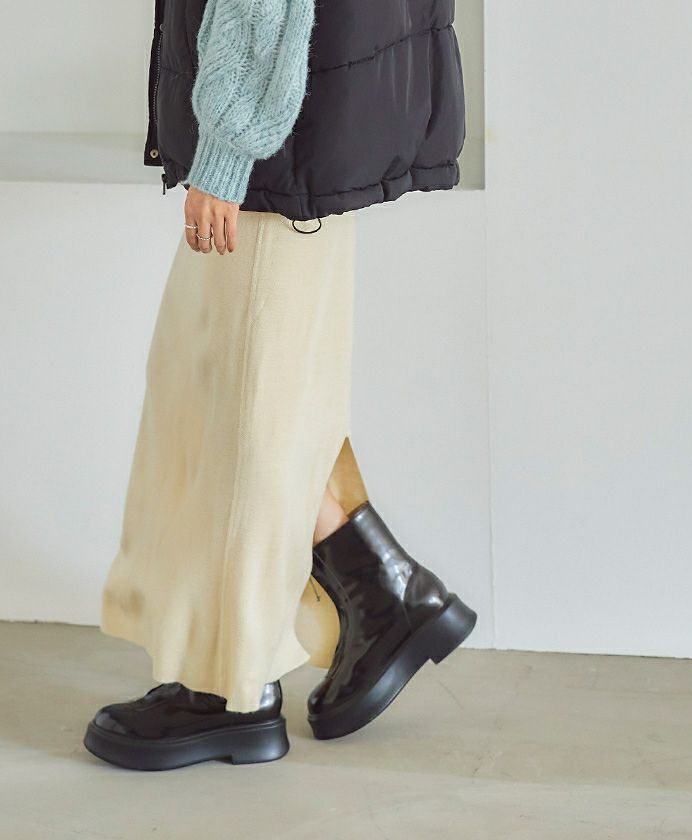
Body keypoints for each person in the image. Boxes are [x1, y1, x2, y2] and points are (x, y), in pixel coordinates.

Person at [83, 0, 477, 771]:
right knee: (256, 398)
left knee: (241, 410)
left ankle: (229, 689)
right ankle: (384, 593)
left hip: (281, 137)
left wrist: (229, 148)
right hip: (315, 114)